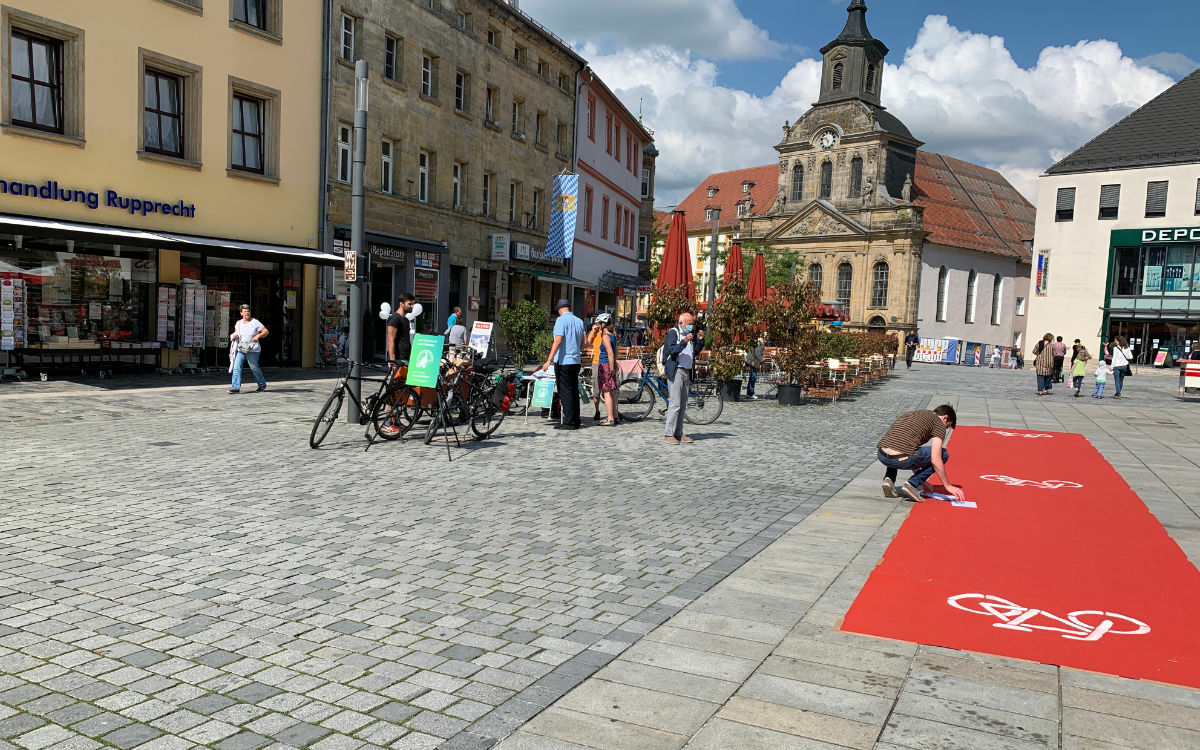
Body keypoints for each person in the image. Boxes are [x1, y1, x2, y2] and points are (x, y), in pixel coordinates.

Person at [877, 404, 965, 504]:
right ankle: (911, 485)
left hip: (882, 455)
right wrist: (947, 485)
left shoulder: (915, 413)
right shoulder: (939, 424)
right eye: (947, 425)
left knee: (899, 444)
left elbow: (911, 449)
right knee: (943, 454)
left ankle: (889, 478)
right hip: (901, 457)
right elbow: (936, 459)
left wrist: (922, 480)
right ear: (945, 418)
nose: (945, 429)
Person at [540, 299, 586, 430]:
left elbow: (558, 340)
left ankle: (569, 422)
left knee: (565, 392)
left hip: (563, 361)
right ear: (569, 308)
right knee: (573, 390)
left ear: (559, 309)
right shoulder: (579, 321)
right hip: (576, 361)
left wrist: (548, 360)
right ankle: (576, 420)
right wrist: (576, 350)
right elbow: (584, 343)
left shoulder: (560, 321)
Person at [662, 312, 704, 445]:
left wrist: (700, 340)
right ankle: (669, 433)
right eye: (689, 324)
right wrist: (684, 342)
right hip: (676, 370)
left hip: (687, 371)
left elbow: (695, 351)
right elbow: (671, 350)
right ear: (681, 323)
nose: (691, 326)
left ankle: (679, 433)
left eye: (693, 324)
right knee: (675, 403)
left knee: (683, 404)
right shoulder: (673, 333)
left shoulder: (689, 336)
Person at [229, 304, 268, 394]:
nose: (247, 313)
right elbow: (236, 332)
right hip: (242, 348)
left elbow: (266, 331)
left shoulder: (255, 322)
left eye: (248, 311)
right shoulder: (238, 323)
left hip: (253, 349)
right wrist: (234, 336)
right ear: (241, 313)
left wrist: (258, 336)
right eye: (245, 311)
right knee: (236, 367)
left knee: (254, 367)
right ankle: (235, 387)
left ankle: (262, 384)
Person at [596, 318, 619, 426]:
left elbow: (610, 353)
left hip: (605, 364)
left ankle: (610, 418)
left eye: (599, 323)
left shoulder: (605, 337)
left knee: (606, 392)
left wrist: (611, 368)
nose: (597, 325)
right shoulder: (612, 335)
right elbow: (615, 352)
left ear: (603, 324)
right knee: (613, 392)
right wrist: (614, 365)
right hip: (611, 364)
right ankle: (615, 416)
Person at [585, 314, 607, 421]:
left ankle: (610, 412)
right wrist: (593, 331)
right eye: (596, 322)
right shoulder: (594, 332)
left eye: (598, 322)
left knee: (607, 388)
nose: (597, 324)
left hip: (606, 362)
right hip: (596, 362)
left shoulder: (609, 331)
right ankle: (597, 410)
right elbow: (588, 343)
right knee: (596, 388)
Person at [387, 294, 415, 364]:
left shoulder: (405, 319)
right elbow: (390, 340)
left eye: (412, 304)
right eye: (409, 304)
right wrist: (392, 361)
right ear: (401, 304)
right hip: (398, 359)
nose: (412, 306)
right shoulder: (395, 318)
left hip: (406, 357)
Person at [1106, 335, 1134, 399]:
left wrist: (1111, 366)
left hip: (1117, 366)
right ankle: (1117, 393)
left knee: (1117, 381)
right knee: (1121, 381)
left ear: (1119, 341)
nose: (1114, 341)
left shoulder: (1115, 348)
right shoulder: (1127, 348)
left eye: (1115, 340)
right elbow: (1130, 357)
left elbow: (1114, 358)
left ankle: (1118, 394)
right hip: (1124, 366)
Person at [745, 333, 766, 400]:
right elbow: (757, 354)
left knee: (752, 377)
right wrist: (762, 360)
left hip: (751, 361)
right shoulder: (759, 343)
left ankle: (749, 393)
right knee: (753, 377)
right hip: (752, 361)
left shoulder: (758, 342)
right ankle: (750, 393)